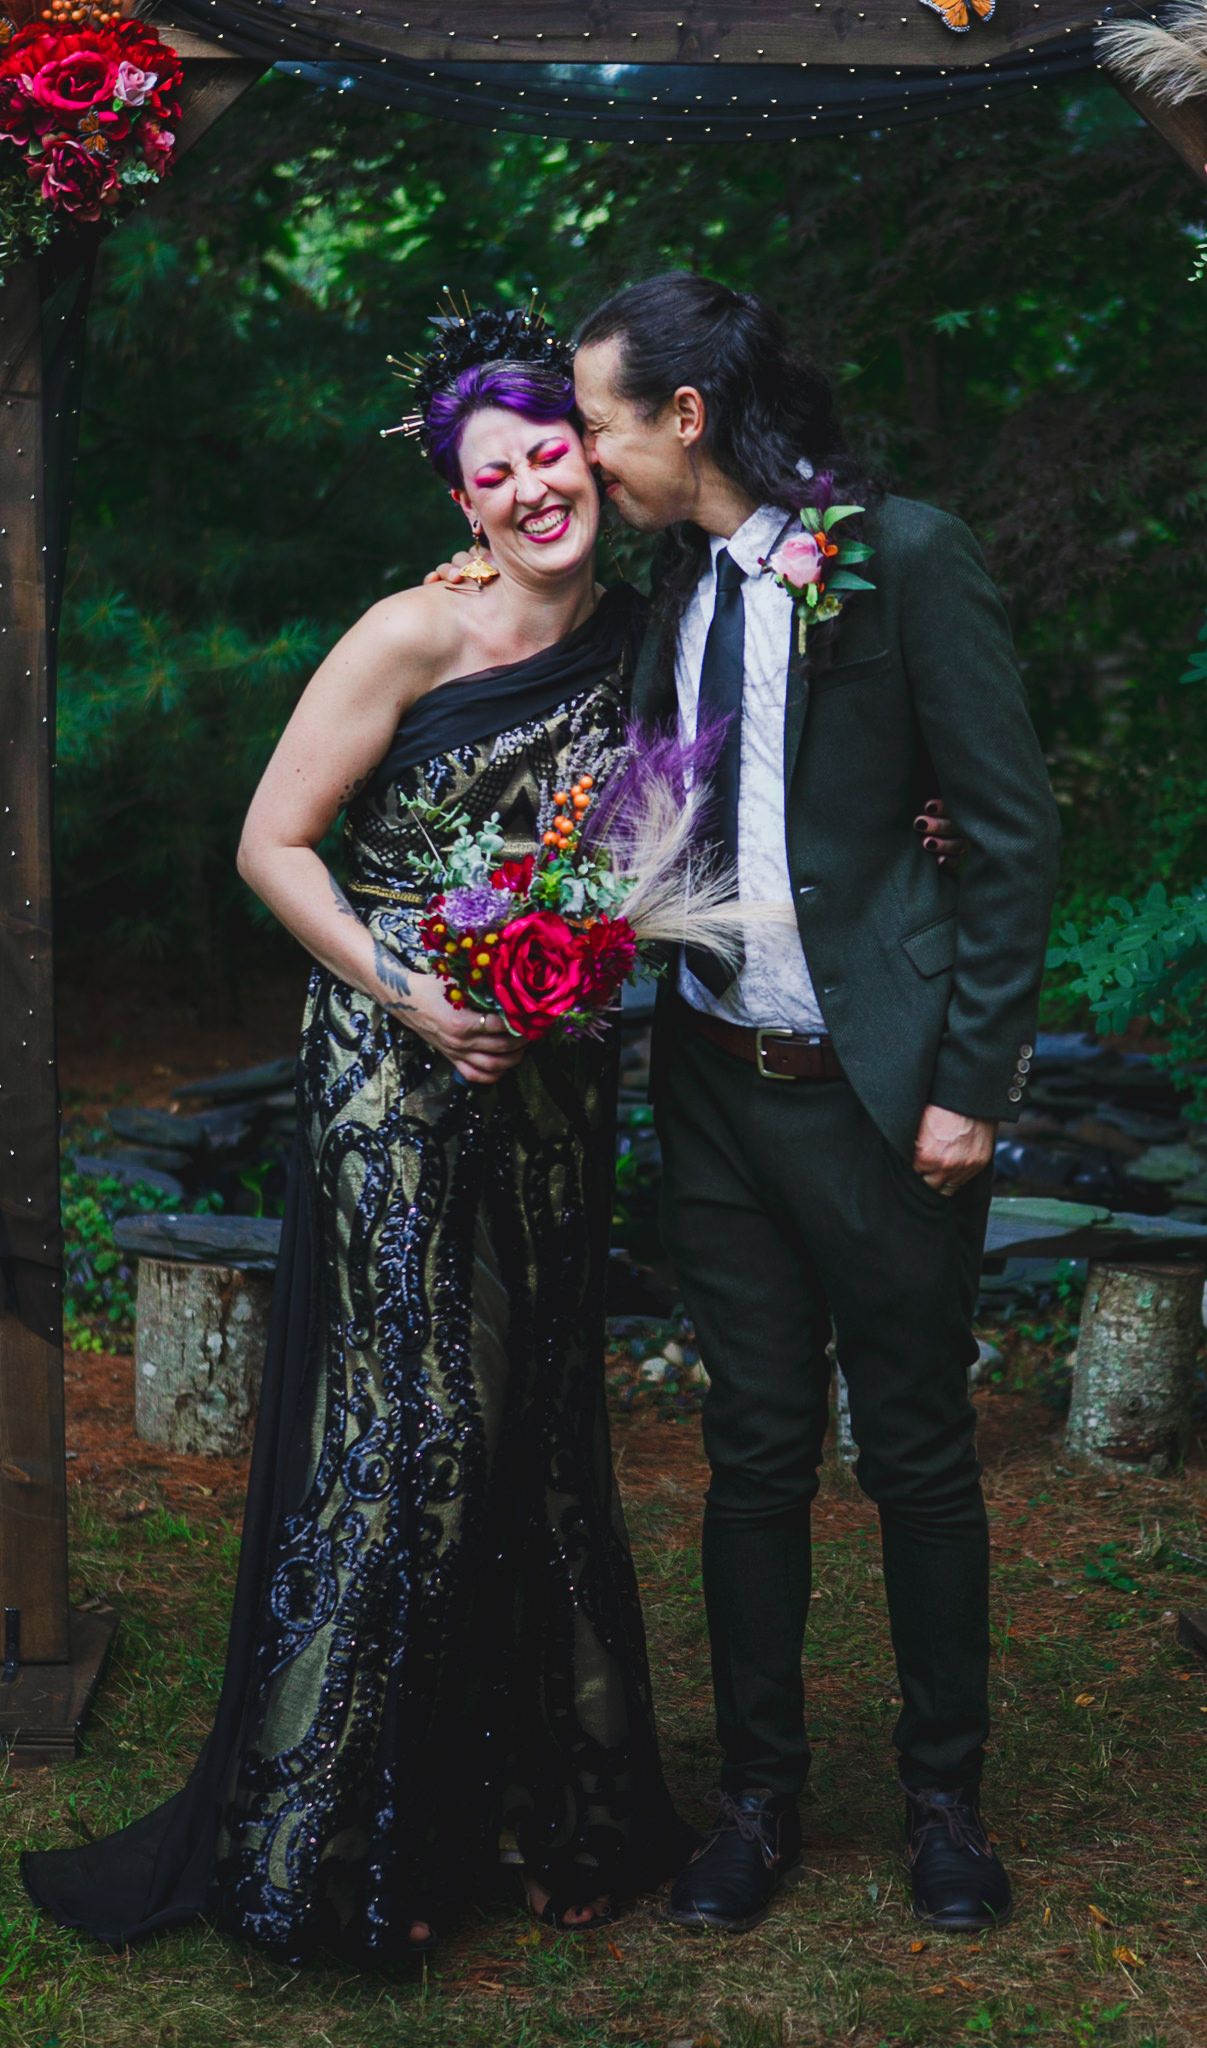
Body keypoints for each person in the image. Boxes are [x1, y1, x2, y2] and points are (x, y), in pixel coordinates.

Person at [22, 308, 696, 1962]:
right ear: (458, 508)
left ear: (595, 456)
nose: (536, 486)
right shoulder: (411, 632)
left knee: (537, 1427)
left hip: (548, 1071)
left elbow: (696, 811)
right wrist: (408, 990)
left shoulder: (652, 635)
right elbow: (271, 843)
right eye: (497, 474)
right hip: (391, 1068)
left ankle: (557, 1810)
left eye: (553, 451)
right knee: (422, 1433)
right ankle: (331, 1843)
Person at [430, 273, 1059, 1936]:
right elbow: (635, 810)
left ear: (684, 417)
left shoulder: (906, 557)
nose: (580, 451)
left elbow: (1007, 836)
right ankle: (756, 1807)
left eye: (599, 421)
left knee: (918, 1456)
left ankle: (945, 1804)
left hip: (884, 1097)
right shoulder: (668, 591)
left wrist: (968, 1087)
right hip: (709, 1087)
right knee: (749, 1456)